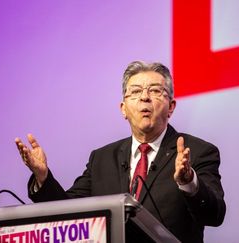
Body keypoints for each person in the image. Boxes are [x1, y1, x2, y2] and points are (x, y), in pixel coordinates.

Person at [15, 61, 226, 242]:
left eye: (154, 90)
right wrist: (43, 177)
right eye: (135, 92)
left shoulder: (197, 152)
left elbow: (215, 215)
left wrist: (188, 181)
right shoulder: (102, 158)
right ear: (123, 109)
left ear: (171, 107)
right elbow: (68, 214)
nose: (145, 97)